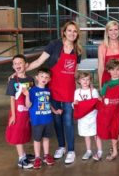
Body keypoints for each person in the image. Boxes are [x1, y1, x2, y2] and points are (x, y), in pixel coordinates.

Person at [19, 21, 82, 164]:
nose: (72, 33)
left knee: (68, 121)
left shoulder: (78, 51)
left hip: (68, 91)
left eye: (75, 31)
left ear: (77, 34)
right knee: (57, 121)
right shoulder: (54, 45)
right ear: (64, 32)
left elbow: (75, 72)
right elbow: (39, 61)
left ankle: (71, 150)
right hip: (52, 90)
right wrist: (21, 72)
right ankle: (61, 147)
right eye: (69, 30)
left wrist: (83, 86)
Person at [96, 59, 119, 163]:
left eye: (117, 69)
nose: (115, 72)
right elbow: (102, 98)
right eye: (112, 69)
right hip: (111, 114)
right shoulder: (106, 84)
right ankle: (115, 152)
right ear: (108, 70)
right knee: (114, 134)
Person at [5, 54, 34, 169]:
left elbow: (32, 96)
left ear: (26, 65)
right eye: (15, 63)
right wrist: (13, 115)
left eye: (20, 63)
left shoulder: (30, 79)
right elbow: (12, 99)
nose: (18, 65)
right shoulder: (13, 81)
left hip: (27, 111)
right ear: (13, 66)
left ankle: (24, 154)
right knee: (17, 133)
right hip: (17, 112)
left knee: (24, 132)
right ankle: (21, 159)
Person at [23, 68, 55, 169]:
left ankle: (46, 155)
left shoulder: (48, 90)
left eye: (46, 77)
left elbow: (48, 103)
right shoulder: (32, 90)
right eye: (42, 76)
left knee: (46, 138)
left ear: (49, 79)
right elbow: (28, 105)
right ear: (37, 78)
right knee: (37, 139)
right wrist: (27, 95)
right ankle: (37, 157)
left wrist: (54, 111)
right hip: (37, 120)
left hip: (48, 119)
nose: (44, 79)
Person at [73, 72, 103, 161]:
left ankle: (100, 151)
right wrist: (74, 104)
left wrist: (98, 100)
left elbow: (97, 103)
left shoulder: (93, 91)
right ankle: (88, 151)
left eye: (87, 79)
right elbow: (75, 104)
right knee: (86, 135)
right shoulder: (77, 91)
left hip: (93, 117)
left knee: (96, 135)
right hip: (83, 118)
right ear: (79, 81)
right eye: (83, 79)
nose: (85, 81)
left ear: (90, 81)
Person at [98, 21, 119, 88]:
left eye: (116, 29)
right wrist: (101, 87)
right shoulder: (102, 47)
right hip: (107, 82)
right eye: (110, 30)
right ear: (107, 32)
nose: (113, 32)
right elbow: (101, 68)